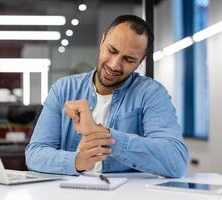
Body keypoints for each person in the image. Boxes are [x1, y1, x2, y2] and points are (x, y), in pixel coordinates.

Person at [25, 15, 188, 178]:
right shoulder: (63, 89)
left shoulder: (151, 93)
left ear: (141, 61)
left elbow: (175, 161)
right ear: (103, 41)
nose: (114, 64)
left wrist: (102, 135)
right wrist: (77, 161)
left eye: (129, 59)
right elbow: (34, 155)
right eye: (112, 50)